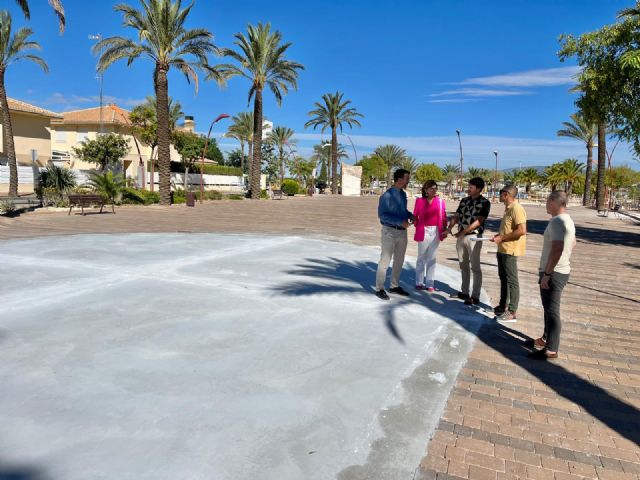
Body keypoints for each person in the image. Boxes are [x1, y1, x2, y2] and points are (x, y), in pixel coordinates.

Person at [528, 191, 576, 360]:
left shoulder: (556, 222)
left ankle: (551, 349)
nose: (546, 204)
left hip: (554, 272)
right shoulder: (568, 220)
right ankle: (545, 339)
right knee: (549, 309)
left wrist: (547, 274)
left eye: (548, 201)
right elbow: (573, 243)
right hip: (561, 269)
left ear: (554, 202)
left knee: (552, 311)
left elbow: (557, 248)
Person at [446, 177, 491, 305]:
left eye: (471, 187)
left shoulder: (485, 202)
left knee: (475, 267)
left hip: (474, 237)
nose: (468, 189)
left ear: (479, 189)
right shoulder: (464, 200)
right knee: (463, 265)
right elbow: (457, 215)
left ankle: (475, 296)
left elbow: (479, 220)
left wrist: (463, 232)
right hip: (461, 236)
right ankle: (464, 292)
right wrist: (450, 227)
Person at [375, 169, 414, 300]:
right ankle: (379, 288)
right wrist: (400, 221)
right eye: (407, 178)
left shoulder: (403, 194)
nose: (408, 180)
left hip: (402, 233)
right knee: (385, 260)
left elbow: (402, 210)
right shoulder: (386, 196)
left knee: (399, 260)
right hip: (389, 232)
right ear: (399, 179)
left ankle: (394, 286)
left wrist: (410, 215)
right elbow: (382, 216)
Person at [491, 185, 527, 322]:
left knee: (512, 280)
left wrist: (502, 238)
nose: (499, 196)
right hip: (502, 248)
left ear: (506, 194)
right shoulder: (508, 209)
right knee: (503, 278)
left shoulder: (517, 209)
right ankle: (502, 305)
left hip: (510, 250)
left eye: (500, 193)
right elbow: (508, 229)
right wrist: (498, 236)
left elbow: (521, 230)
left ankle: (512, 311)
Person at [413, 180, 448, 292]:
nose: (434, 190)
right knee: (421, 257)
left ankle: (430, 283)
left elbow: (444, 216)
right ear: (426, 190)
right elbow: (415, 216)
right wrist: (417, 226)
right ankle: (419, 282)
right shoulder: (419, 201)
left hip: (436, 231)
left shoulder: (440, 201)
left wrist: (444, 230)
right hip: (424, 230)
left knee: (432, 258)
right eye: (431, 188)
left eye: (435, 188)